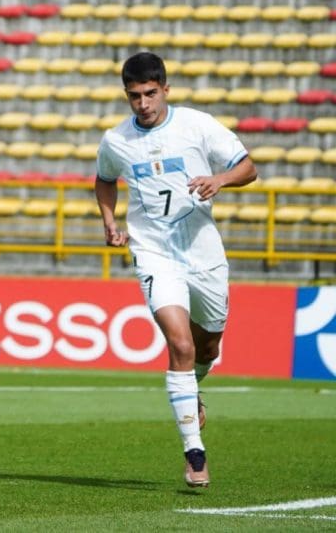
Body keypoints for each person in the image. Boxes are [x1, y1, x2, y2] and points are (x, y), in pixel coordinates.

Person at [95, 52, 257, 488]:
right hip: (154, 251)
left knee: (207, 347)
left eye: (150, 94)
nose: (143, 103)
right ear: (126, 96)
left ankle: (195, 388)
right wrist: (110, 222)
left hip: (203, 251)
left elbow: (248, 167)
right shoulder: (116, 141)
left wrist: (219, 180)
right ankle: (195, 452)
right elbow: (105, 178)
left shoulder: (197, 125)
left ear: (165, 89)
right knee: (180, 344)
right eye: (134, 96)